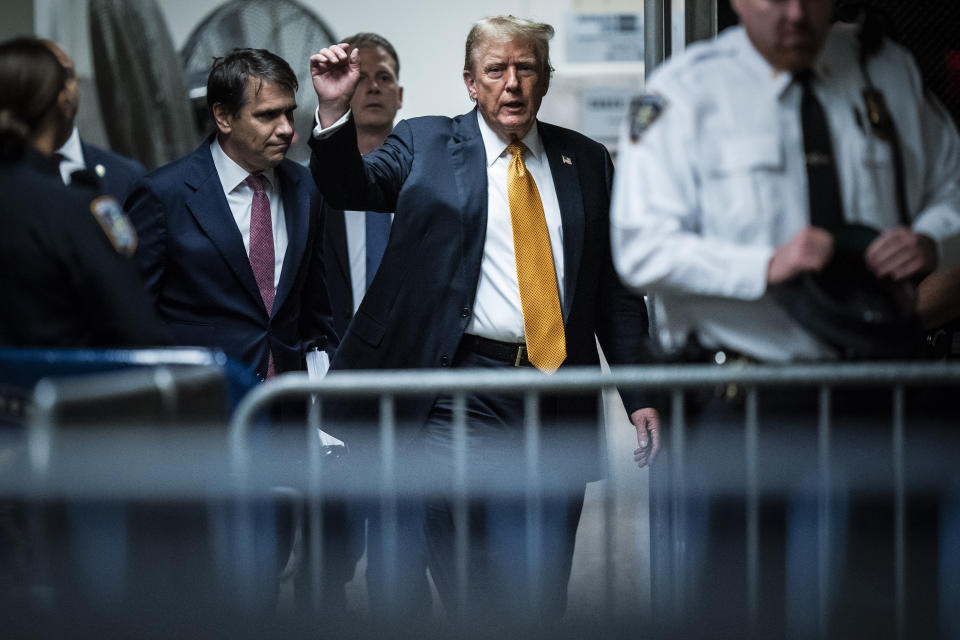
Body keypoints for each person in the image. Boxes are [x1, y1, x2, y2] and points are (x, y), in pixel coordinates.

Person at [610, 0, 960, 635]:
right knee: (741, 601)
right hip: (747, 392)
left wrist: (931, 236)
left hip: (879, 388)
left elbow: (951, 183)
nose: (795, 14)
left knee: (891, 599)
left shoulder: (888, 73)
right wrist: (762, 265)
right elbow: (639, 247)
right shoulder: (685, 92)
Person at [309, 15, 660, 621]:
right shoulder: (425, 143)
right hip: (461, 391)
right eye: (496, 70)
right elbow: (350, 187)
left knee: (543, 581)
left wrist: (640, 394)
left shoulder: (588, 160)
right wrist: (333, 115)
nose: (512, 84)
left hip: (556, 391)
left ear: (545, 79)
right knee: (473, 578)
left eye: (526, 68)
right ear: (471, 83)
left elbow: (615, 291)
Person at [126, 48, 337, 382]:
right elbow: (133, 315)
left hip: (288, 404)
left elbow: (316, 308)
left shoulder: (306, 187)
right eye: (268, 115)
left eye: (289, 113)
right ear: (223, 117)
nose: (286, 129)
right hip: (201, 405)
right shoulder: (162, 195)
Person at [311, 31, 431, 620]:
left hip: (411, 390)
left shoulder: (432, 183)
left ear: (401, 93)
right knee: (326, 553)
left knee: (400, 553)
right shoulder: (312, 184)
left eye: (386, 77)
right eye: (364, 77)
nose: (375, 86)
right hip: (332, 380)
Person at [0, 36, 168, 348]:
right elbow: (139, 333)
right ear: (64, 101)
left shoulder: (118, 178)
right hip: (61, 389)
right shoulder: (75, 207)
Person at [41, 40, 146, 201]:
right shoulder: (9, 175)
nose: (61, 87)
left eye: (67, 75)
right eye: (48, 77)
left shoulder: (126, 175)